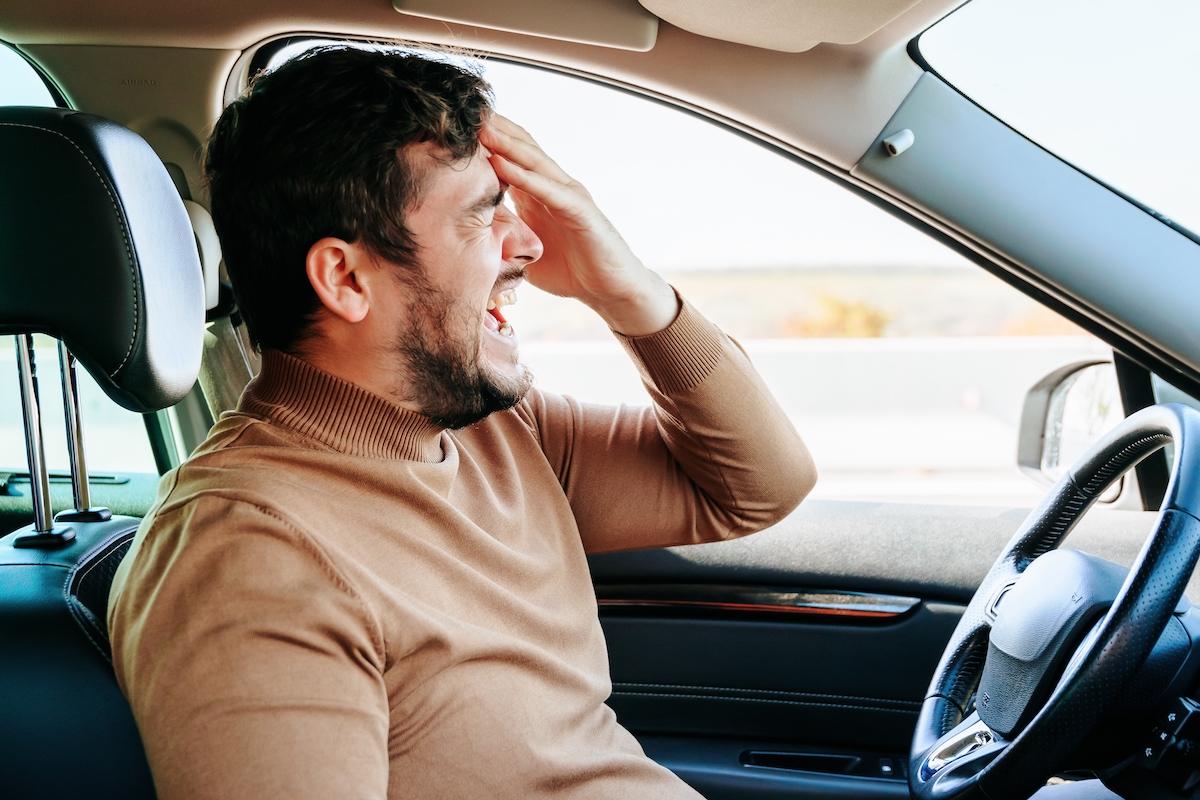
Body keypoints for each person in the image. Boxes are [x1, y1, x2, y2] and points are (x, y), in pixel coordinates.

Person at [108, 45, 817, 799]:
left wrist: (630, 293)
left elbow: (758, 487)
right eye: (485, 215)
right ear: (346, 278)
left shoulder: (497, 433)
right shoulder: (249, 555)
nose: (533, 244)